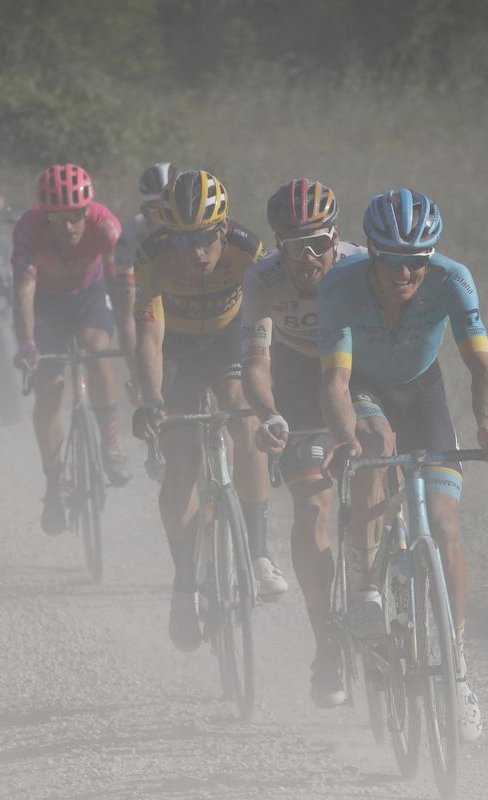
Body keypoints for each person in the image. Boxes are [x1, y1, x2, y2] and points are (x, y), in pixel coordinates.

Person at [318, 188, 488, 742]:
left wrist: (487, 427)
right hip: (362, 390)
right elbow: (333, 378)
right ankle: (364, 587)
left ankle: (456, 670)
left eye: (417, 262)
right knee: (376, 443)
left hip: (424, 394)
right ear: (372, 253)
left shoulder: (453, 279)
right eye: (392, 260)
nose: (405, 272)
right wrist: (343, 438)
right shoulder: (339, 283)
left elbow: (482, 369)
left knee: (447, 527)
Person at [129, 168, 287, 652]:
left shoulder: (247, 248)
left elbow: (267, 318)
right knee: (180, 461)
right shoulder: (152, 254)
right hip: (175, 347)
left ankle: (258, 553)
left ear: (222, 230)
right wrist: (151, 400)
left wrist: (269, 390)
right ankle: (184, 585)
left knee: (242, 415)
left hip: (227, 340)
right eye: (182, 238)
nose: (194, 250)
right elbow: (149, 337)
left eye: (203, 237)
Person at [239, 178, 364, 706]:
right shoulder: (263, 280)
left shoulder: (363, 266)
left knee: (380, 491)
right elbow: (255, 362)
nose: (308, 256)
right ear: (277, 245)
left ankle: (382, 583)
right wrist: (268, 414)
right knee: (312, 514)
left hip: (364, 378)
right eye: (294, 245)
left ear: (336, 236)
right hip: (298, 385)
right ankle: (327, 642)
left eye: (318, 242)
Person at [12, 163, 135, 534]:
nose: (67, 226)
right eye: (57, 218)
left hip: (89, 297)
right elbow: (23, 292)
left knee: (97, 348)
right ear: (44, 216)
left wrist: (133, 355)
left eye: (75, 216)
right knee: (48, 392)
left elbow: (122, 293)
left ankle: (110, 446)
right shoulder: (28, 229)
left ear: (88, 210)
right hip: (45, 305)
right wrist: (27, 343)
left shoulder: (106, 226)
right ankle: (54, 484)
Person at [114, 161, 181, 402]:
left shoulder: (201, 229)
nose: (169, 217)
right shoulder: (131, 237)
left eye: (175, 206)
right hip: (154, 307)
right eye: (158, 211)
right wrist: (138, 373)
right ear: (144, 211)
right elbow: (127, 319)